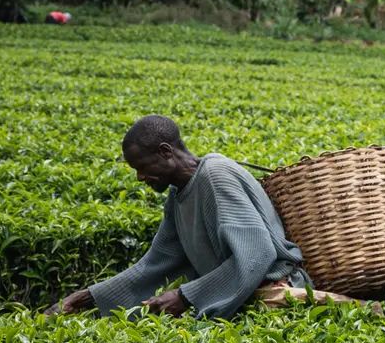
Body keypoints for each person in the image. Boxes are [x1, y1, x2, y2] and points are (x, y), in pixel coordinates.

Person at [48, 115, 316, 318]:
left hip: (276, 294)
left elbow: (257, 253)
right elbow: (157, 262)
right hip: (239, 298)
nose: (140, 177)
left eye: (142, 167)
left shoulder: (216, 175)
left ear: (166, 152)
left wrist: (186, 296)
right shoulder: (179, 195)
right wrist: (88, 297)